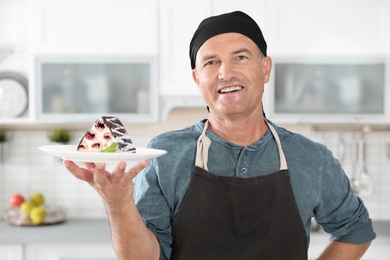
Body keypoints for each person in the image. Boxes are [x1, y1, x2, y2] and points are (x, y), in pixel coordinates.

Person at [64, 11, 376, 260]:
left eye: (240, 57)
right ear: (197, 78)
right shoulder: (163, 155)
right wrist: (118, 203)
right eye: (211, 62)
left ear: (265, 69)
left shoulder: (311, 158)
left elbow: (356, 229)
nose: (225, 72)